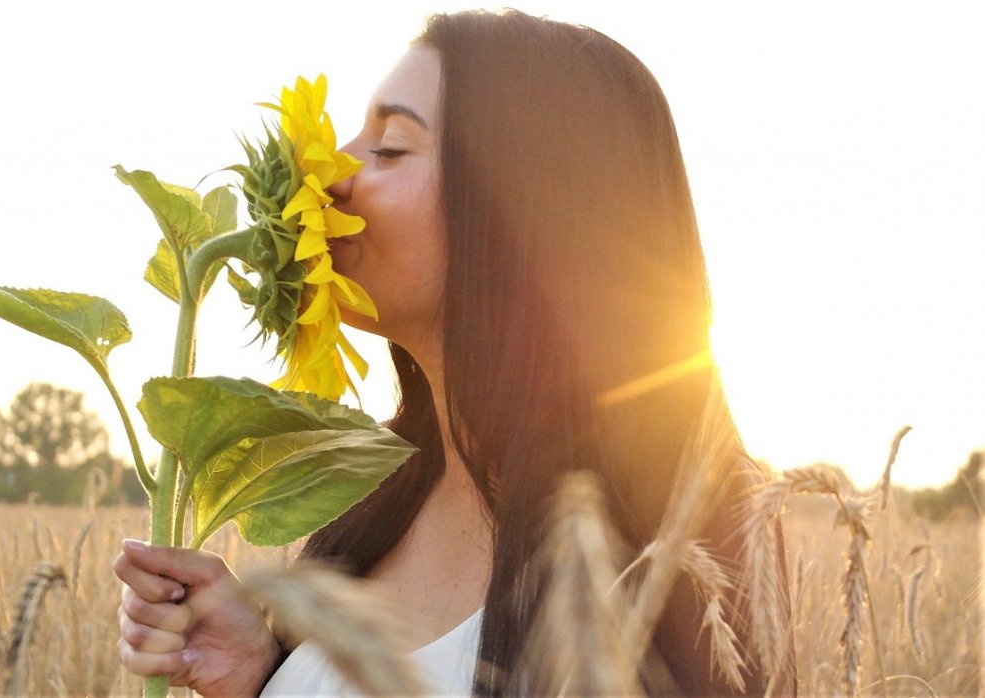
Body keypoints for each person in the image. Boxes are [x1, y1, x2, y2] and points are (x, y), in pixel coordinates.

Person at [115, 9, 794, 696]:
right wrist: (265, 674)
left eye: (390, 149)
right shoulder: (373, 498)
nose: (326, 180)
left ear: (520, 209)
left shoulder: (648, 563)